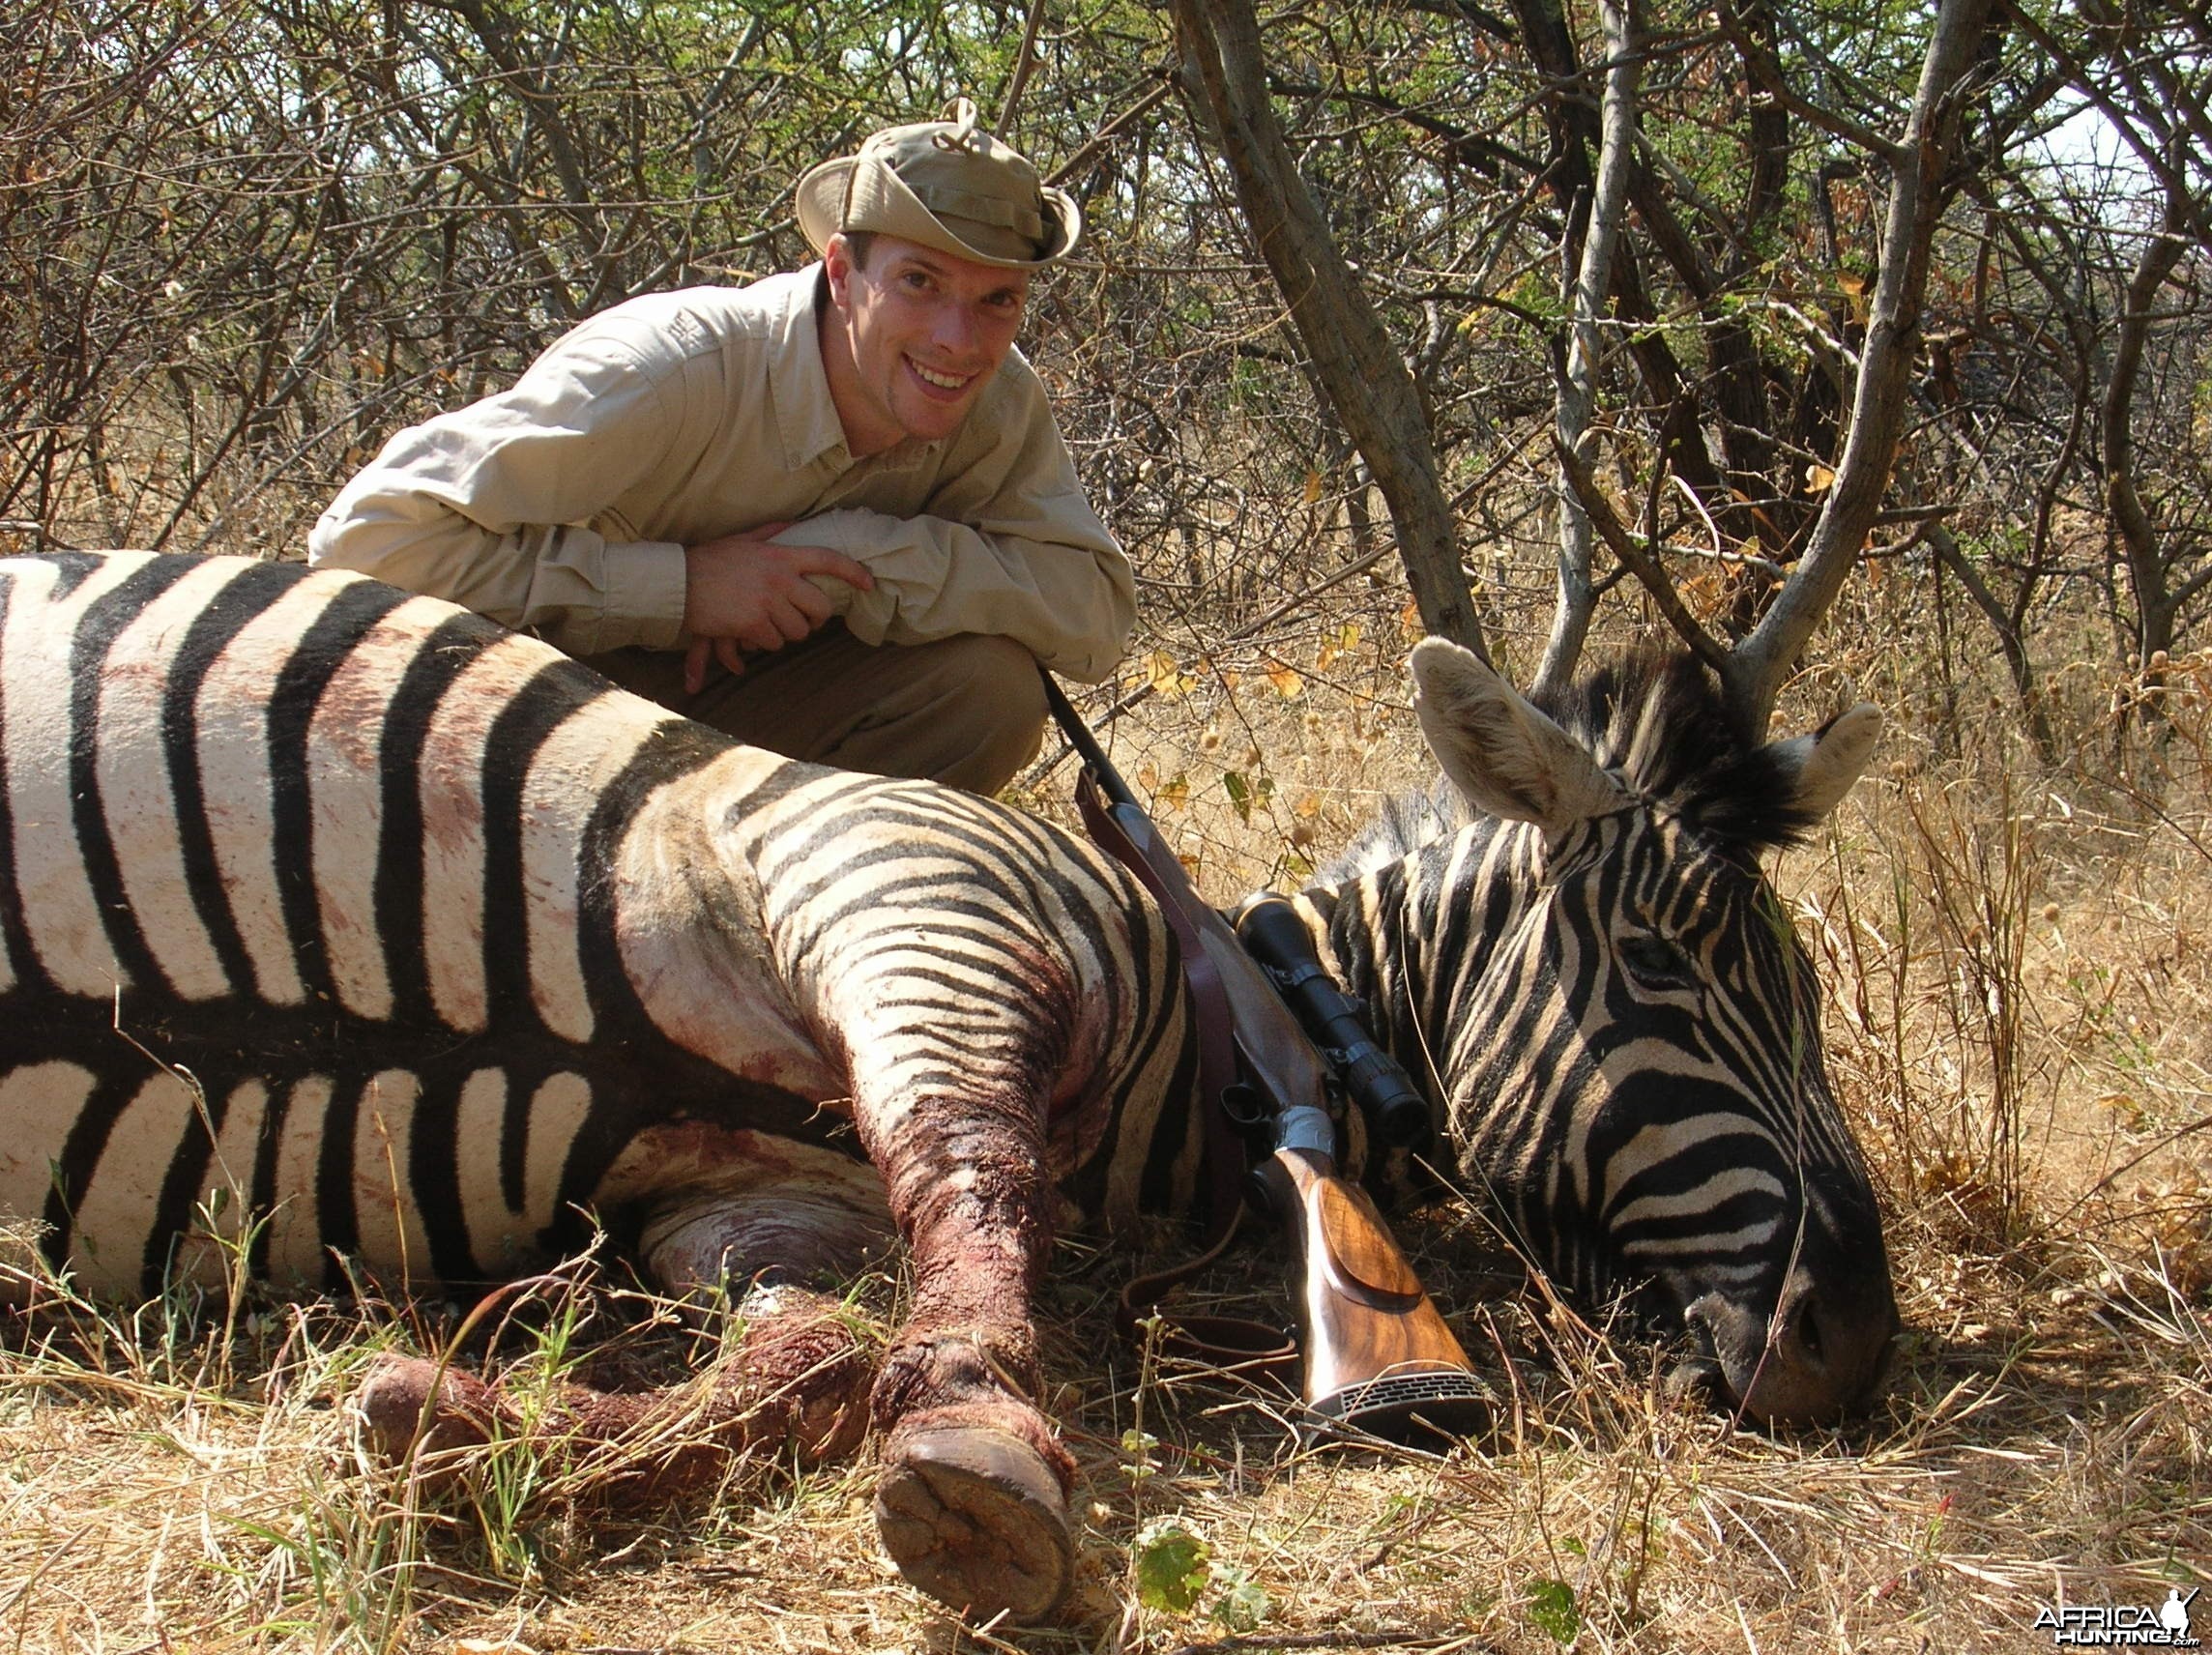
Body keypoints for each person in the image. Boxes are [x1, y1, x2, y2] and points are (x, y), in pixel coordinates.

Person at [308, 101, 1132, 794]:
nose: (959, 340)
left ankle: (798, 945)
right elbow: (366, 540)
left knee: (986, 692)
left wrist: (848, 559)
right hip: (533, 723)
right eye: (919, 283)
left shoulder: (995, 395)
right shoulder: (670, 369)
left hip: (729, 724)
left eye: (997, 300)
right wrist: (681, 589)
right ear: (842, 273)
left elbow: (1091, 614)